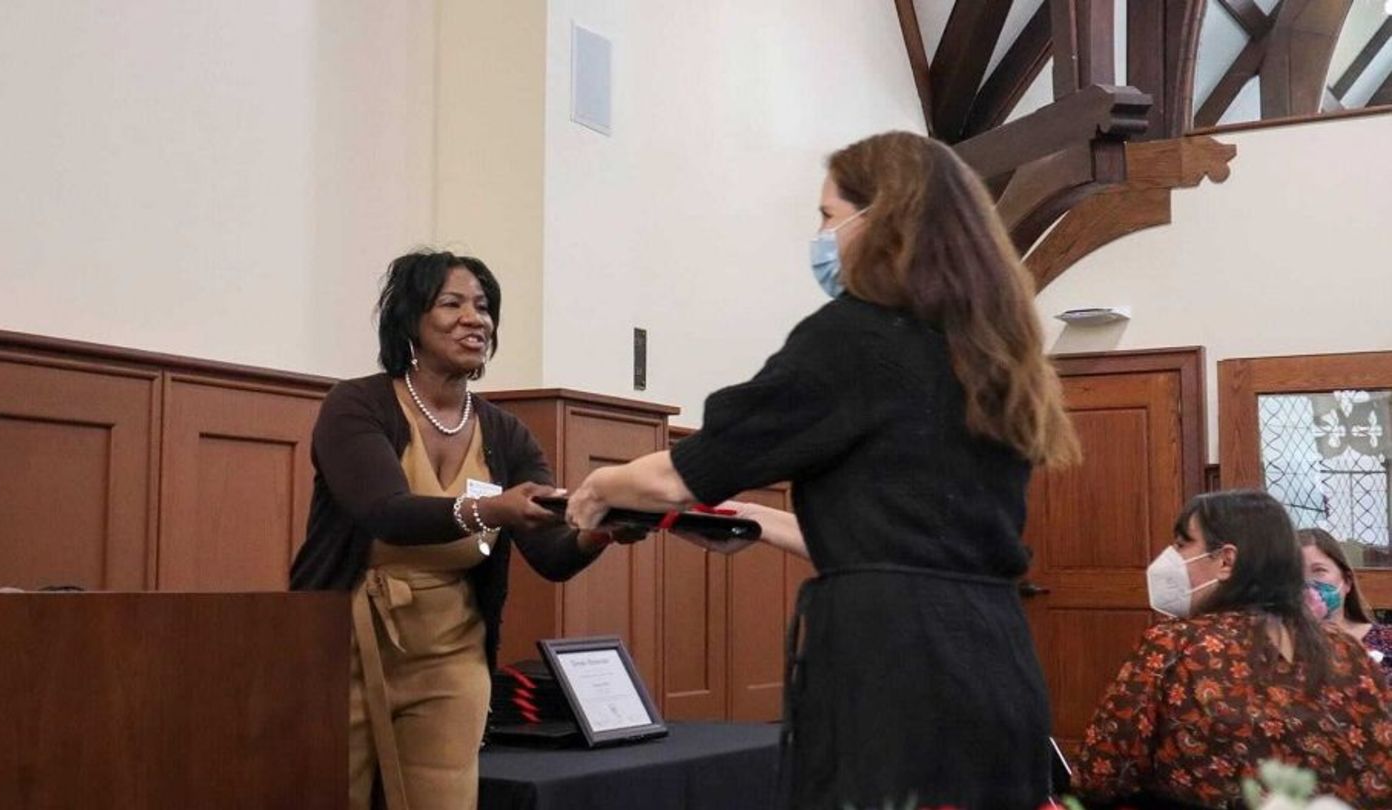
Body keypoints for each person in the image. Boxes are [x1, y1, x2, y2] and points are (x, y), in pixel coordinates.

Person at [566, 131, 1081, 809]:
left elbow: (680, 476)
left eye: (827, 215)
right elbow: (916, 538)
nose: (820, 234)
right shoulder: (993, 357)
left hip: (893, 659)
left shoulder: (854, 337)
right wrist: (766, 520)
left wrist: (601, 483)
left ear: (881, 219)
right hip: (995, 655)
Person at [289, 251, 638, 810]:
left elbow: (549, 553)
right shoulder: (357, 404)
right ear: (410, 321)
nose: (474, 318)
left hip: (450, 654)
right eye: (451, 304)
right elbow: (385, 511)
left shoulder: (507, 433)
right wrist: (492, 510)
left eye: (483, 307)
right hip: (341, 645)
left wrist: (601, 530)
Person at [1074, 491, 1392, 808]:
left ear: (1226, 560)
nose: (1170, 557)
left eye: (1182, 544)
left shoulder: (1174, 646)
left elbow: (1101, 774)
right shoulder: (1349, 653)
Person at [1300, 527, 1392, 671]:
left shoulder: (1385, 641)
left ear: (1347, 581)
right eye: (1294, 573)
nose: (1307, 583)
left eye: (1319, 570)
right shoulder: (1276, 650)